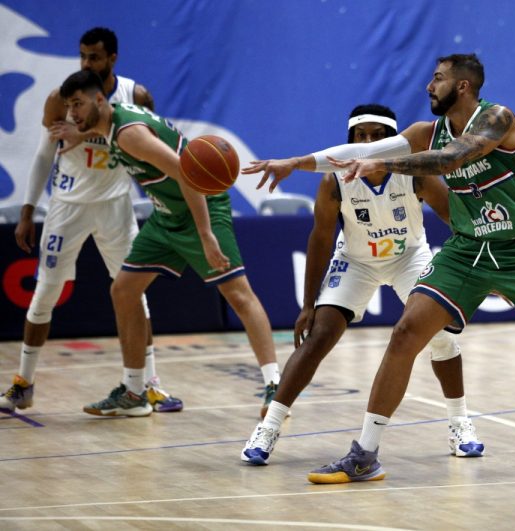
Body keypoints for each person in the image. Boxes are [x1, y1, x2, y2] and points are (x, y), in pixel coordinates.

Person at [244, 53, 515, 484]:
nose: (429, 86)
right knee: (405, 334)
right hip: (466, 251)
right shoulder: (425, 132)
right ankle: (364, 454)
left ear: (463, 85)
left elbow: (449, 159)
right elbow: (361, 152)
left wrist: (382, 164)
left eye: (437, 78)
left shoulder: (498, 120)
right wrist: (295, 162)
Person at [241, 104, 484, 467]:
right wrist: (308, 304)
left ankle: (460, 423)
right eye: (361, 135)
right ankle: (269, 427)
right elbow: (321, 239)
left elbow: (458, 221)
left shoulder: (414, 173)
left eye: (378, 135)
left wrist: (477, 267)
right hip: (356, 261)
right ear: (350, 140)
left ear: (394, 140)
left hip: (409, 257)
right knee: (319, 335)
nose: (368, 142)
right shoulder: (334, 180)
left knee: (439, 335)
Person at [58, 69, 281, 417]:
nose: (73, 113)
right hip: (166, 215)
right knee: (123, 290)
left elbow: (187, 174)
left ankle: (276, 388)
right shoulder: (112, 124)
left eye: (78, 104)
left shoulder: (130, 135)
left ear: (100, 99)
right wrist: (79, 133)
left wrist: (205, 234)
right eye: (69, 106)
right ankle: (134, 392)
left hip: (200, 208)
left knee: (239, 294)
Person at [0, 27, 182, 414]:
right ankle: (23, 385)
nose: (87, 63)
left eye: (94, 57)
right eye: (83, 56)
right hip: (67, 206)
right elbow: (44, 155)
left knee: (134, 293)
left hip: (116, 206)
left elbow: (147, 146)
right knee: (45, 292)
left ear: (112, 59)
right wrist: (28, 210)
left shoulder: (135, 96)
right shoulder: (62, 98)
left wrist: (83, 135)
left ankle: (149, 385)